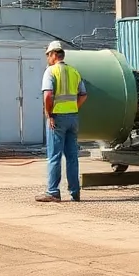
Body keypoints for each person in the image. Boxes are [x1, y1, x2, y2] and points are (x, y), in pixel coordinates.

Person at [36, 41, 87, 203]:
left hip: (57, 118)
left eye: (47, 55)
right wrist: (73, 108)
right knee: (72, 157)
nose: (47, 59)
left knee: (54, 156)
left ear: (53, 55)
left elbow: (48, 96)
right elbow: (83, 95)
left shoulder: (51, 72)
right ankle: (75, 192)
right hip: (72, 118)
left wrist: (49, 114)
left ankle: (53, 192)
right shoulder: (74, 72)